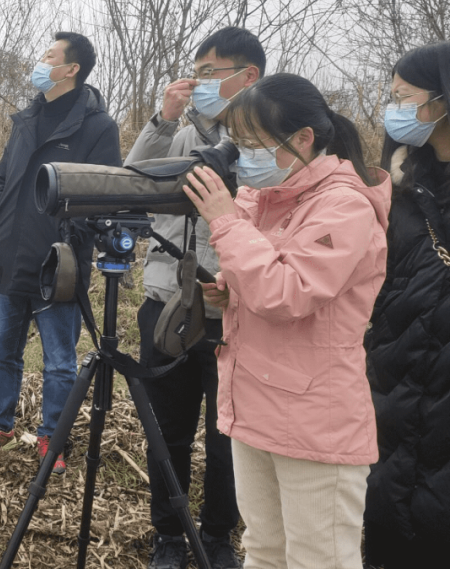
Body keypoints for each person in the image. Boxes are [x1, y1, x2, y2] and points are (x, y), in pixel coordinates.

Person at [183, 73, 390, 569]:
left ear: (303, 139)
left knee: (320, 559)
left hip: (315, 420)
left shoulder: (343, 205)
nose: (245, 156)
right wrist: (230, 291)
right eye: (239, 143)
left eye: (256, 144)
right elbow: (264, 276)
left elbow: (286, 292)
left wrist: (224, 221)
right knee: (264, 551)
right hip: (255, 405)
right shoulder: (264, 197)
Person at [125, 26, 263, 568]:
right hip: (167, 305)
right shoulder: (182, 135)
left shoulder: (269, 146)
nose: (199, 82)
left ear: (247, 76)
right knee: (168, 431)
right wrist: (163, 118)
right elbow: (132, 179)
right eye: (196, 72)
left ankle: (218, 535)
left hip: (234, 311)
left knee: (229, 435)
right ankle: (169, 534)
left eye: (210, 73)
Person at [0, 31, 121, 474]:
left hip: (59, 265)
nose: (39, 60)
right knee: (2, 352)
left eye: (48, 55)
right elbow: (3, 179)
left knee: (58, 362)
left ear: (71, 69)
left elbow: (105, 194)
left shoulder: (97, 127)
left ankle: (52, 437)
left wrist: (68, 240)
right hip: (10, 256)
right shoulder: (25, 119)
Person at [364, 42, 450, 569]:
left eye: (404, 96)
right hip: (393, 379)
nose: (393, 108)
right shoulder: (397, 184)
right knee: (389, 510)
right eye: (391, 96)